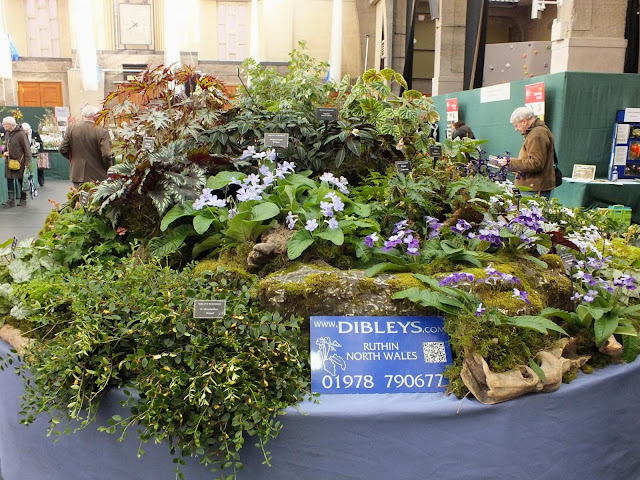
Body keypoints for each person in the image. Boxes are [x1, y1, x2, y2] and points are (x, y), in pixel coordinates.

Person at [493, 106, 556, 199]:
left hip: (533, 187)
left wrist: (510, 163)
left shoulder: (537, 134)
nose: (516, 129)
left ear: (524, 121)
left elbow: (536, 163)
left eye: (516, 125)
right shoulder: (537, 132)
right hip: (532, 185)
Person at [59, 105, 113, 187]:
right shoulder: (101, 131)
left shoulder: (71, 129)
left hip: (77, 174)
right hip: (98, 175)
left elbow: (62, 149)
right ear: (95, 116)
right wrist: (108, 167)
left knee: (79, 195)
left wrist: (74, 159)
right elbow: (106, 154)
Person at [1, 116, 31, 207]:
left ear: (10, 124)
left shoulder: (21, 134)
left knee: (21, 180)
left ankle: (23, 199)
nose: (3, 125)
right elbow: (6, 145)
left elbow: (27, 148)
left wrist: (27, 163)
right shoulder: (7, 134)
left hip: (20, 161)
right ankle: (11, 200)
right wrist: (4, 152)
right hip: (9, 161)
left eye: (5, 124)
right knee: (9, 179)